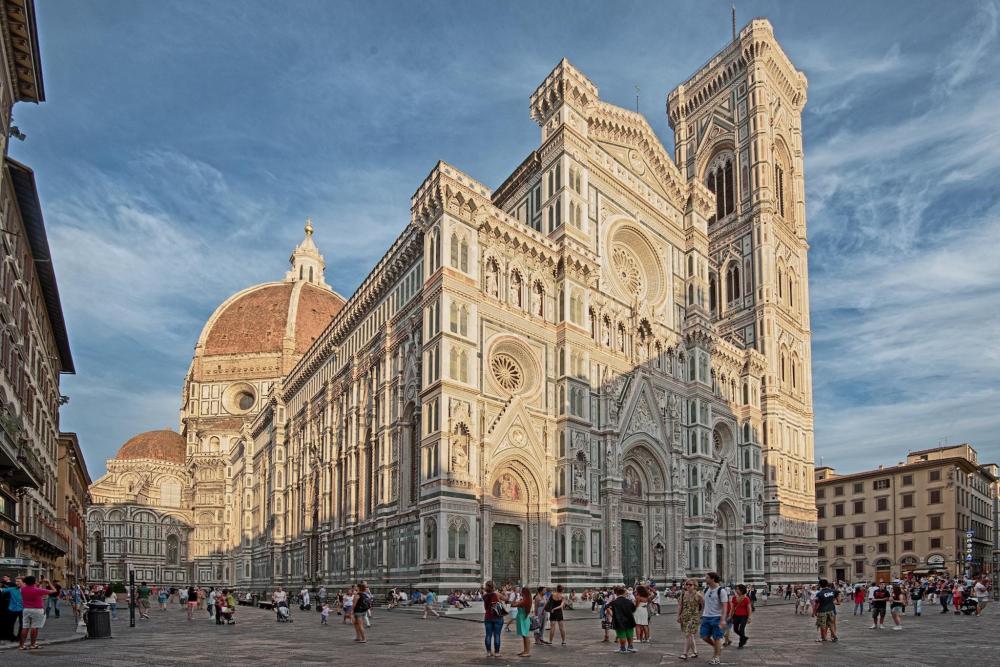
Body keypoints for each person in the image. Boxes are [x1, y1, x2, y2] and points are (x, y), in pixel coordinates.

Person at [700, 572, 729, 665]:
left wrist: (723, 619)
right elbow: (705, 604)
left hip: (717, 617)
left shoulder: (721, 591)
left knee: (716, 637)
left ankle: (716, 657)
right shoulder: (706, 590)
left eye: (707, 578)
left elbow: (725, 606)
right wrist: (701, 614)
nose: (705, 579)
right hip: (706, 617)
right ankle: (718, 647)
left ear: (713, 579)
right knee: (704, 636)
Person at [18, 575, 54, 650]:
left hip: (26, 609)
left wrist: (40, 582)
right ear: (34, 582)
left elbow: (33, 586)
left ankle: (21, 645)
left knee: (25, 627)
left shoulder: (22, 589)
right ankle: (32, 644)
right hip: (37, 609)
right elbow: (54, 591)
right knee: (35, 627)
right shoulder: (38, 590)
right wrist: (49, 583)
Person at [606, 584, 637, 654]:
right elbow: (633, 609)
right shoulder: (629, 601)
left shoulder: (614, 602)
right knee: (629, 633)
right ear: (623, 593)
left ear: (616, 594)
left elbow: (607, 608)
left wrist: (612, 615)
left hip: (619, 620)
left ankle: (623, 648)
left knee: (621, 634)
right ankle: (630, 647)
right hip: (629, 619)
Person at [676, 579, 702, 660]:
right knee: (690, 635)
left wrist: (700, 615)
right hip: (685, 616)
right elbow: (680, 605)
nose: (688, 586)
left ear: (695, 586)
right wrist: (678, 616)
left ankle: (685, 653)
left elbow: (703, 606)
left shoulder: (699, 595)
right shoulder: (683, 594)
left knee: (688, 634)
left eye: (690, 584)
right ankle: (695, 652)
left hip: (694, 616)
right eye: (686, 584)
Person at [482, 580, 504, 657]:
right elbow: (505, 599)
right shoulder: (496, 594)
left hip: (488, 617)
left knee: (488, 635)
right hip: (497, 617)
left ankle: (488, 652)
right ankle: (497, 652)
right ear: (493, 586)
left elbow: (485, 607)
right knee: (497, 635)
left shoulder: (484, 596)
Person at [729, 584, 753, 649]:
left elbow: (749, 608)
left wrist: (749, 617)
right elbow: (732, 608)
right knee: (735, 629)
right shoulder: (734, 598)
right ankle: (744, 637)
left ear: (742, 590)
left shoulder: (746, 598)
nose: (736, 590)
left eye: (738, 589)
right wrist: (730, 616)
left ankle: (741, 643)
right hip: (736, 616)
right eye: (736, 589)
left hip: (744, 616)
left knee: (741, 629)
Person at [512, 586, 533, 657]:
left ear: (524, 592)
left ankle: (527, 652)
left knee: (525, 635)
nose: (520, 592)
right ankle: (525, 651)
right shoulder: (527, 600)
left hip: (522, 618)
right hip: (524, 618)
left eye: (522, 591)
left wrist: (515, 597)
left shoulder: (524, 601)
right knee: (524, 635)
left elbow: (512, 604)